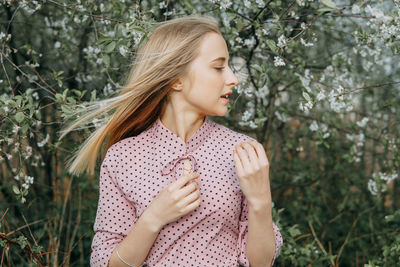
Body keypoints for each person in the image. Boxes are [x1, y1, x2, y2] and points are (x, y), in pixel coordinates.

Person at [60, 15, 283, 267]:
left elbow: (261, 263)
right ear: (176, 79)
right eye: (219, 67)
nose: (233, 78)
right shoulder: (122, 157)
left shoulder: (243, 151)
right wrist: (153, 217)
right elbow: (105, 263)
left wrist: (260, 200)